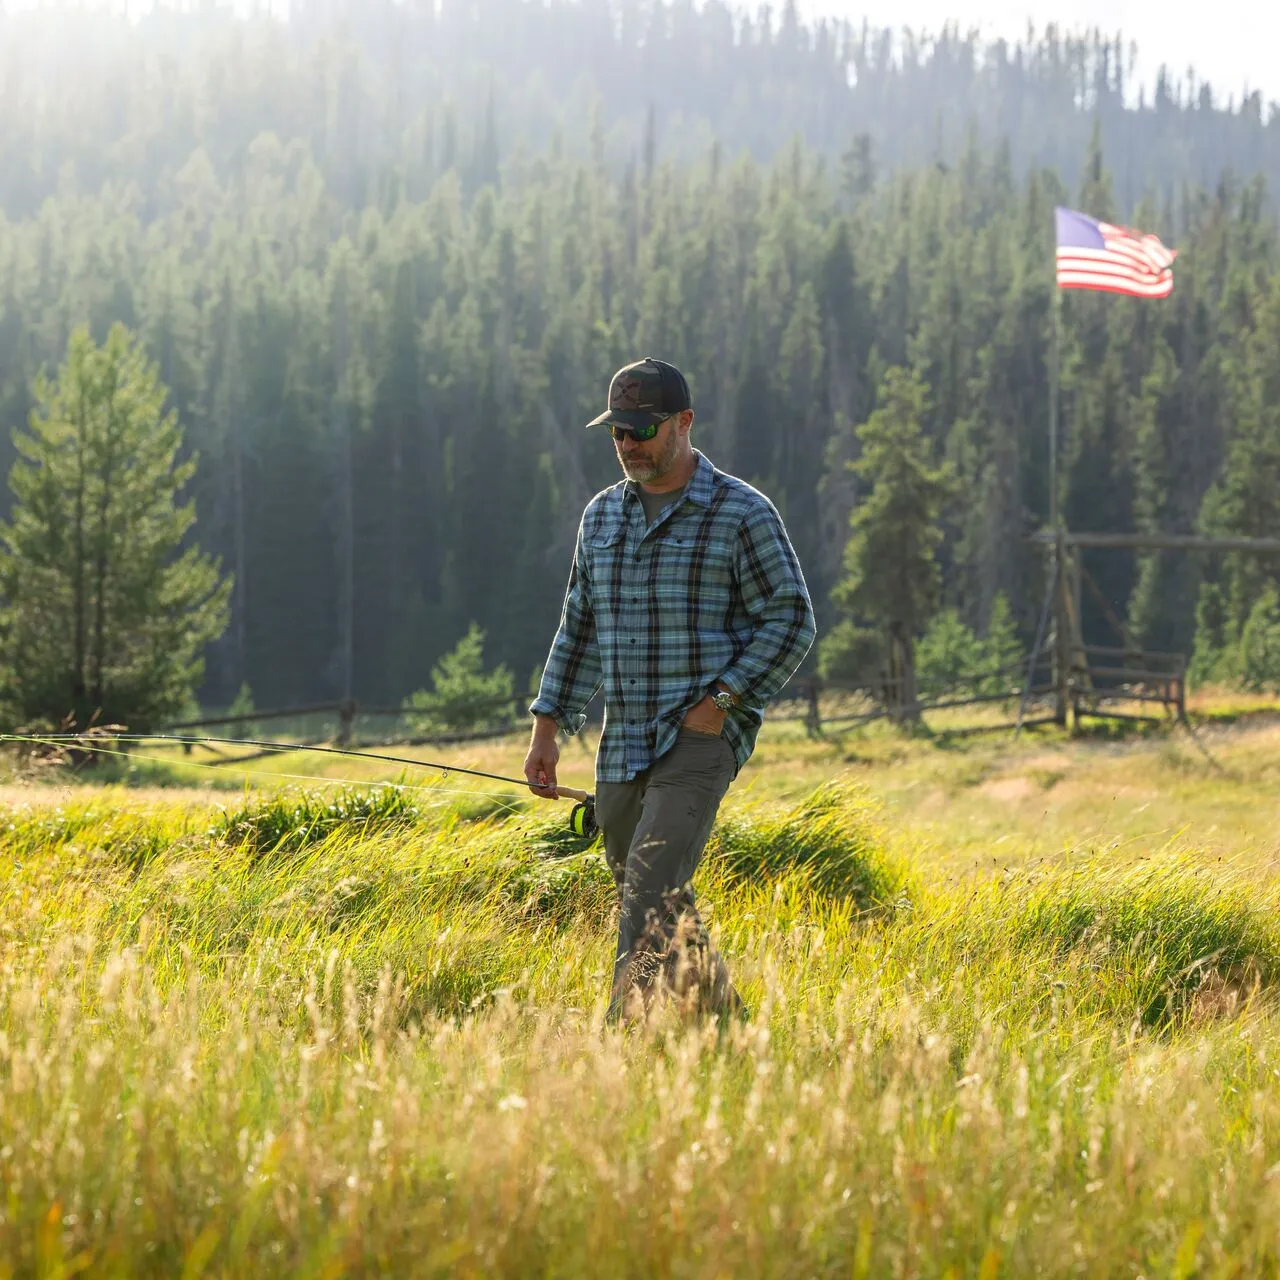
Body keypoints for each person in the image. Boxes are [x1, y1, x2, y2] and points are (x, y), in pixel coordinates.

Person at [523, 356, 815, 1020]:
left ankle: (621, 1041)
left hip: (699, 740)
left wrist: (721, 705)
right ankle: (730, 1030)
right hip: (622, 744)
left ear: (684, 422)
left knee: (647, 894)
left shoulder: (741, 512)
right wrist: (547, 729)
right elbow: (580, 628)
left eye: (643, 430)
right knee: (652, 896)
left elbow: (792, 619)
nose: (629, 445)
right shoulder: (601, 519)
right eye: (618, 433)